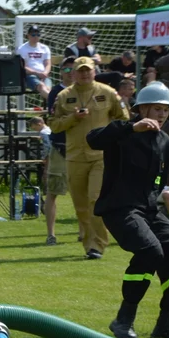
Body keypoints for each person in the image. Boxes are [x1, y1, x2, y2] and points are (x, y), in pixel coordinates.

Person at [88, 82, 169, 338]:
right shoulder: (122, 133)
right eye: (157, 109)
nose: (162, 114)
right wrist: (128, 127)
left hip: (149, 211)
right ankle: (123, 320)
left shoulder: (164, 141)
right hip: (120, 209)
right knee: (150, 251)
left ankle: (166, 325)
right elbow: (94, 138)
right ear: (142, 108)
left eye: (166, 110)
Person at [49, 57, 127, 259]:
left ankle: (97, 245)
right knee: (81, 205)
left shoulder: (108, 92)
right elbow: (55, 125)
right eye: (80, 70)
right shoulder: (64, 96)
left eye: (88, 70)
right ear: (73, 73)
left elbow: (123, 120)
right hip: (75, 155)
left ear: (94, 71)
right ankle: (89, 243)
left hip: (101, 155)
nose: (84, 74)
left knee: (95, 199)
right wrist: (73, 118)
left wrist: (113, 138)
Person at [44, 57, 81, 245]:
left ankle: (84, 232)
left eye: (74, 70)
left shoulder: (86, 92)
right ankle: (51, 234)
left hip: (81, 148)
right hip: (60, 148)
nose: (71, 73)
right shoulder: (56, 93)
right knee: (53, 191)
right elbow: (53, 122)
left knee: (82, 193)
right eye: (67, 70)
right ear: (61, 72)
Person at [16, 25, 52, 100]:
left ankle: (53, 107)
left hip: (44, 75)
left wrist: (45, 73)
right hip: (29, 76)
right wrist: (37, 73)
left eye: (38, 35)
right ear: (28, 35)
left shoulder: (45, 48)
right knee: (42, 86)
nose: (36, 37)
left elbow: (48, 63)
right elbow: (23, 67)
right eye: (33, 35)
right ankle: (57, 104)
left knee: (48, 89)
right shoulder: (22, 49)